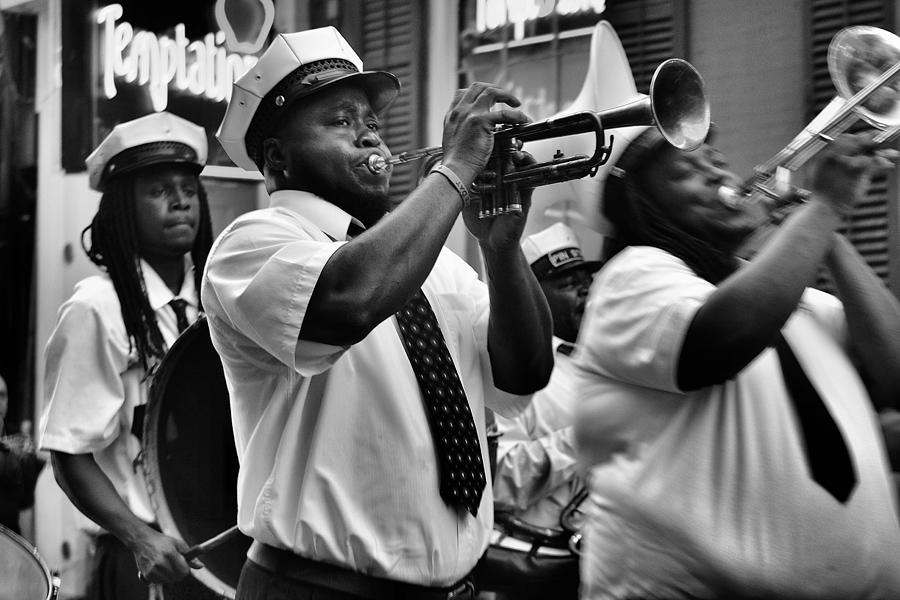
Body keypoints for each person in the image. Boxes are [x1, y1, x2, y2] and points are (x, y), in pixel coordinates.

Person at [205, 26, 553, 600]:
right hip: (315, 590)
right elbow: (351, 301)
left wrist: (501, 248)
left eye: (371, 122)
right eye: (341, 122)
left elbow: (524, 373)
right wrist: (458, 170)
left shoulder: (433, 266)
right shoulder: (253, 241)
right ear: (278, 158)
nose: (370, 135)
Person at [571, 125, 900, 599]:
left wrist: (830, 236)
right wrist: (826, 208)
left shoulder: (790, 296)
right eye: (686, 170)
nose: (715, 170)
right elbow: (725, 338)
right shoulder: (632, 275)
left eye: (715, 158)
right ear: (643, 206)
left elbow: (895, 377)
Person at [39, 111, 217, 600]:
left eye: (187, 187)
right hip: (139, 558)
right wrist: (139, 538)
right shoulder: (97, 308)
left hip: (219, 548)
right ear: (122, 209)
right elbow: (68, 454)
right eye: (158, 190)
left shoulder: (218, 300)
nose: (180, 201)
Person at [478, 222, 600, 600]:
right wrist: (589, 436)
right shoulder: (511, 367)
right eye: (567, 284)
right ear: (532, 297)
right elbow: (497, 484)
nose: (586, 292)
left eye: (587, 281)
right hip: (534, 569)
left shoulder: (601, 363)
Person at [0, 373, 45, 536]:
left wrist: (29, 462)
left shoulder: (18, 438)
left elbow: (25, 503)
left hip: (10, 542)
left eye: (2, 395)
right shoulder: (13, 445)